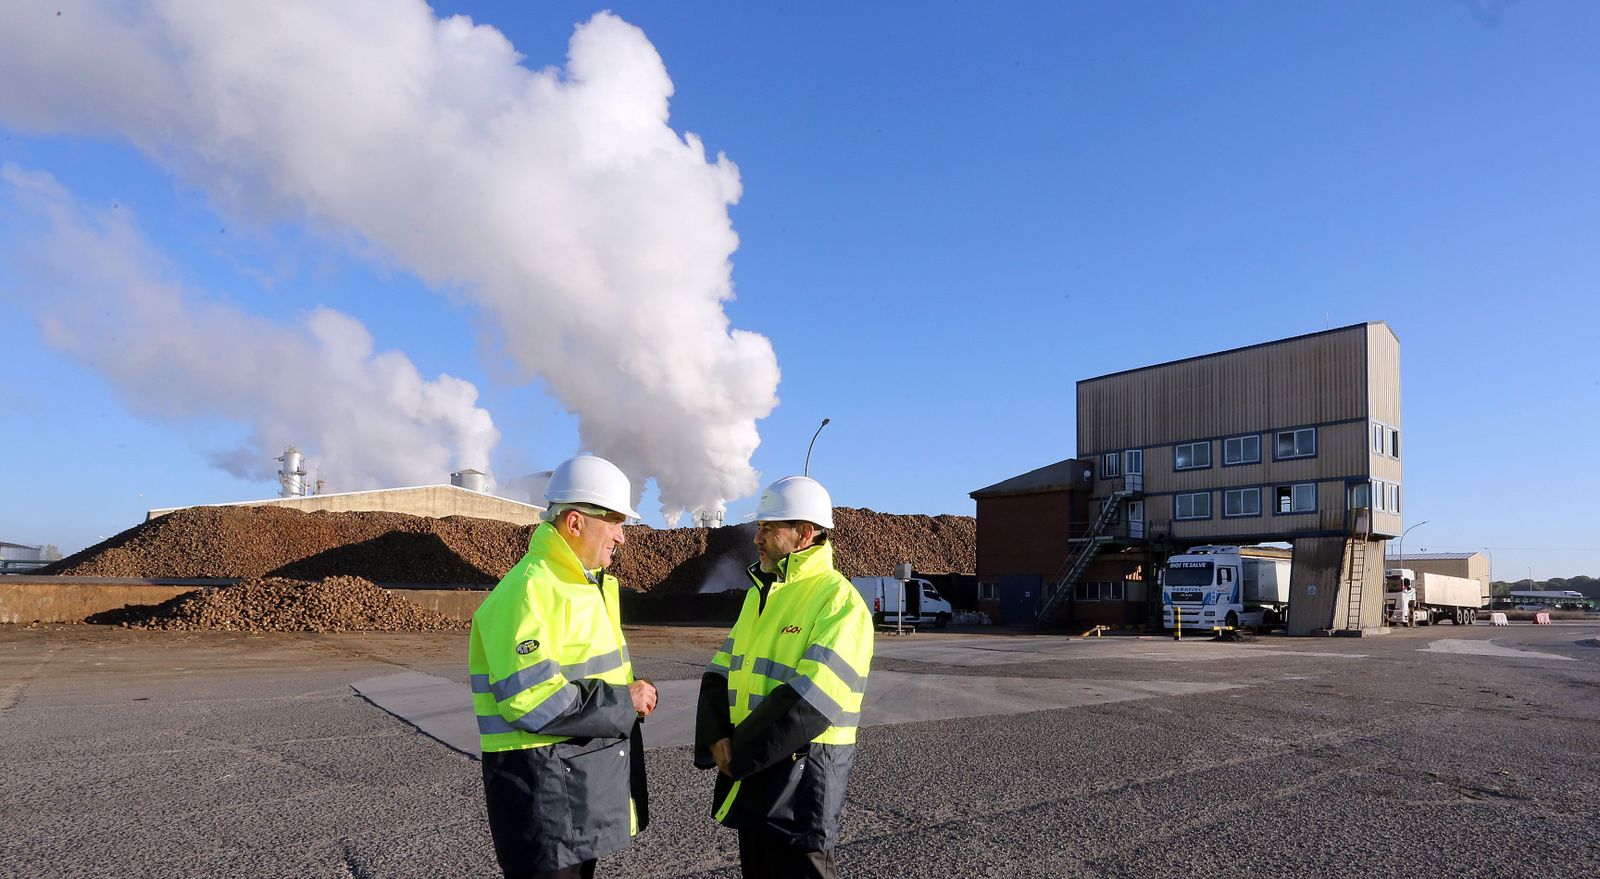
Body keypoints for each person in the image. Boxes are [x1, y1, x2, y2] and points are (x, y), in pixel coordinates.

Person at [469, 455, 658, 879]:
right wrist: (622, 701)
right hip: (543, 797)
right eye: (613, 521)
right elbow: (529, 698)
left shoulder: (583, 586)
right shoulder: (530, 589)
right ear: (575, 523)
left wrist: (628, 691)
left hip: (570, 794)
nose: (622, 537)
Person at [695, 475, 875, 878]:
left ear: (804, 534)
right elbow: (719, 671)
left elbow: (813, 698)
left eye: (769, 528)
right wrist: (715, 735)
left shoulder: (839, 601)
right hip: (756, 764)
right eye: (759, 527)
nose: (757, 537)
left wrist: (737, 752)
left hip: (803, 775)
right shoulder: (763, 595)